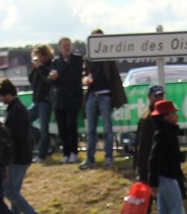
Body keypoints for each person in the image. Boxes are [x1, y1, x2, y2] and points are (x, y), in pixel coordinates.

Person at [0, 79, 46, 214]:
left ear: (6, 94)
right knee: (14, 192)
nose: (0, 99)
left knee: (8, 191)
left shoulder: (16, 110)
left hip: (17, 157)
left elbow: (14, 136)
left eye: (1, 95)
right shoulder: (18, 108)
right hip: (23, 155)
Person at [81, 30, 128, 168]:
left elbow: (114, 75)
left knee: (108, 128)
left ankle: (109, 157)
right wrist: (86, 80)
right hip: (92, 95)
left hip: (105, 95)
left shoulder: (108, 56)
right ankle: (90, 158)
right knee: (90, 129)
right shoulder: (88, 58)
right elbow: (83, 75)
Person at [123, 85, 166, 214]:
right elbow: (145, 147)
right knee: (144, 207)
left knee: (168, 207)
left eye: (161, 96)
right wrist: (143, 171)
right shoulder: (151, 117)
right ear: (150, 97)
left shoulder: (150, 115)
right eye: (156, 96)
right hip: (149, 168)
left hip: (150, 167)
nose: (159, 98)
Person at [49, 36, 84, 164]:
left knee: (71, 126)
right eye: (64, 45)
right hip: (59, 99)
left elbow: (75, 75)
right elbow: (52, 81)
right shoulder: (55, 62)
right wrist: (53, 77)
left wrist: (60, 71)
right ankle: (66, 153)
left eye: (68, 45)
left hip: (73, 98)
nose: (67, 47)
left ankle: (74, 152)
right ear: (60, 47)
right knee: (62, 128)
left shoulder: (77, 59)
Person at [27, 44, 54, 161]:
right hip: (36, 100)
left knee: (44, 128)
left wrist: (41, 67)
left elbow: (48, 81)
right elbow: (31, 80)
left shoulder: (50, 66)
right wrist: (35, 68)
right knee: (24, 121)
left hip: (45, 101)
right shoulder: (37, 68)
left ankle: (42, 155)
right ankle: (40, 136)